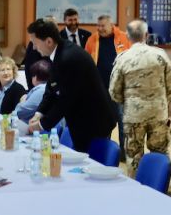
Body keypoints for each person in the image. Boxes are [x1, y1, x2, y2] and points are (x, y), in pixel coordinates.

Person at [27, 19, 117, 152]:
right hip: (81, 119)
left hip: (93, 121)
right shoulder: (59, 52)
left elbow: (65, 99)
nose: (34, 48)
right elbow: (51, 89)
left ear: (49, 41)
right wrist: (39, 114)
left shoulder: (68, 58)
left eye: (35, 43)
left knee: (89, 161)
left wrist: (42, 125)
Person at [109, 20, 171, 177]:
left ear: (128, 36)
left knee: (134, 157)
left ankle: (136, 187)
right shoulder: (160, 55)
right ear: (146, 35)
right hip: (158, 113)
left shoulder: (123, 58)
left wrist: (128, 101)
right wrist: (161, 102)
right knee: (161, 153)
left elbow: (114, 91)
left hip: (133, 116)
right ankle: (163, 187)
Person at [85, 15, 130, 151]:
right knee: (103, 121)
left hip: (120, 88)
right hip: (100, 89)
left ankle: (124, 151)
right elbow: (86, 61)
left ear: (111, 25)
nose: (100, 29)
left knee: (123, 120)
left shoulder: (124, 37)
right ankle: (104, 150)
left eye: (103, 26)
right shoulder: (92, 40)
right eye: (98, 26)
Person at [16, 59, 51, 123]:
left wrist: (22, 101)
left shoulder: (40, 91)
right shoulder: (47, 88)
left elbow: (19, 112)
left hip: (34, 127)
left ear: (35, 77)